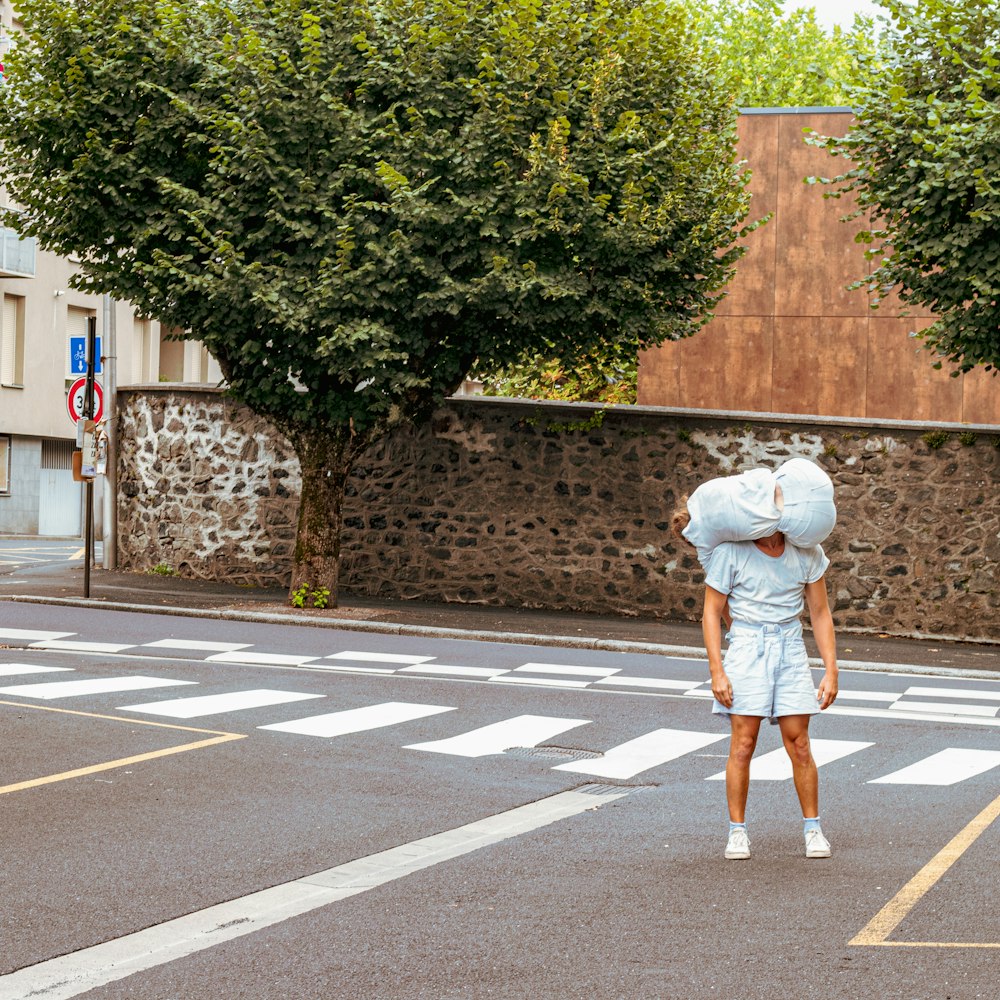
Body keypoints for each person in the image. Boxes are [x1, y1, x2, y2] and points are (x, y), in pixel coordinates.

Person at [701, 529, 838, 861]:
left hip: (790, 646)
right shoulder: (731, 552)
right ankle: (737, 832)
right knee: (744, 743)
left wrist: (831, 669)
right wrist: (717, 670)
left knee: (800, 743)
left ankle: (812, 829)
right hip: (747, 647)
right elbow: (711, 611)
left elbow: (820, 612)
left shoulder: (806, 551)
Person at [672, 458, 836, 569]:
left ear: (687, 538)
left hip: (806, 520)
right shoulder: (702, 492)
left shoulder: (703, 542)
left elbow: (713, 577)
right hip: (801, 478)